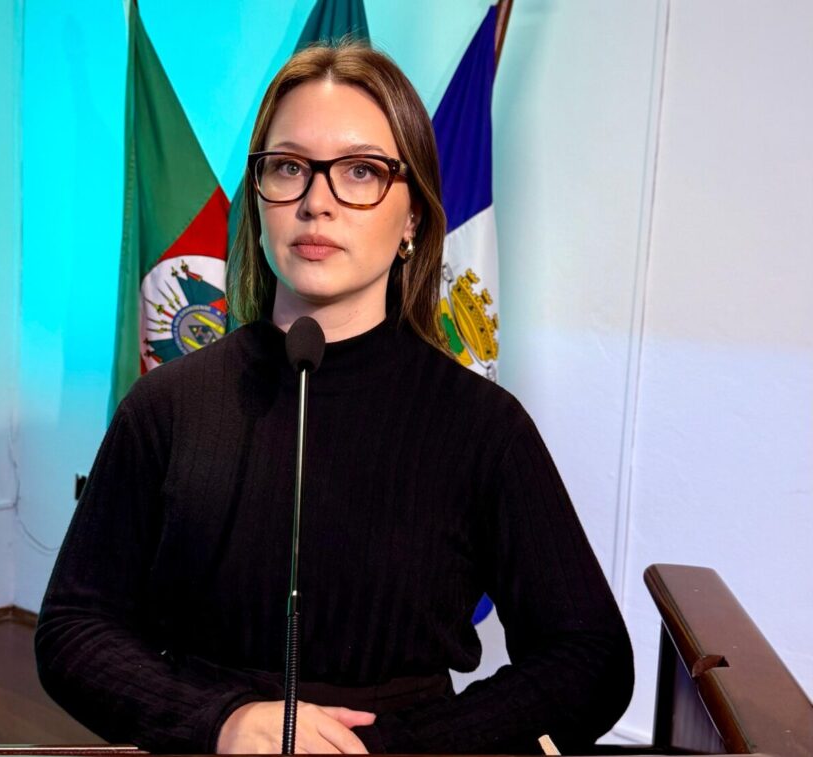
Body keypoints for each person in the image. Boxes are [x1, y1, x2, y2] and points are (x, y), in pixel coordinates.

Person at [36, 41, 634, 755]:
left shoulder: (482, 426)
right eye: (289, 167)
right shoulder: (165, 405)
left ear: (413, 218)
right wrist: (221, 720)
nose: (316, 202)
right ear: (259, 198)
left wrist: (404, 747)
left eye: (361, 171)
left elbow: (590, 657)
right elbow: (73, 628)